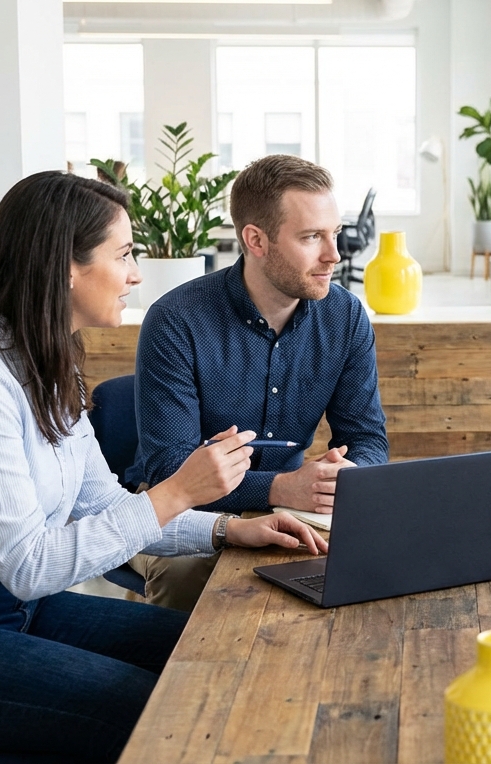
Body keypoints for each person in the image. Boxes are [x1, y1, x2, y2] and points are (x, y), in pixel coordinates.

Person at [0, 172, 326, 762]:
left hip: (9, 609)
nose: (136, 274)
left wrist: (228, 528)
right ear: (64, 266)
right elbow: (29, 563)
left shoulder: (45, 366)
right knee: (173, 706)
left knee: (225, 653)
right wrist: (176, 493)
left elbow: (103, 508)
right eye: (124, 255)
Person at [127, 154, 388, 611]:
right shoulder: (176, 320)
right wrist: (278, 488)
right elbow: (168, 469)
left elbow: (367, 438)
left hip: (294, 507)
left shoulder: (345, 317)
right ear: (256, 240)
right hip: (178, 512)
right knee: (187, 576)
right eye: (311, 237)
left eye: (335, 233)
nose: (335, 255)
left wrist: (348, 477)